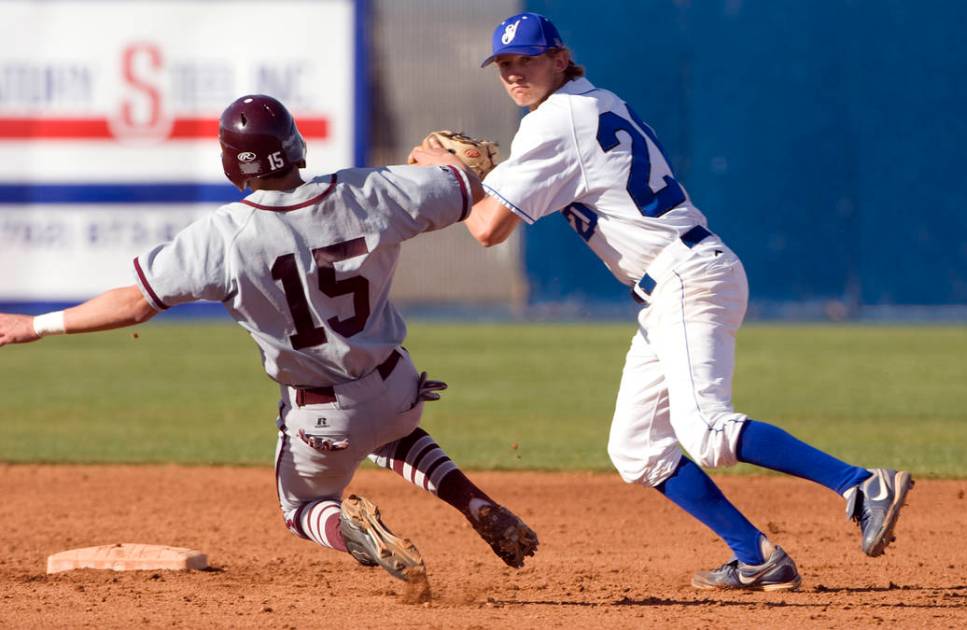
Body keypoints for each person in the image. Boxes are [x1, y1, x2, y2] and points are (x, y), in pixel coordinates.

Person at [410, 12, 912, 592]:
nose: (515, 73)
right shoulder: (594, 101)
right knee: (637, 447)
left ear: (559, 58)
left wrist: (447, 175)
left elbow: (488, 229)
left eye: (527, 59)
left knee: (705, 429)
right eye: (504, 65)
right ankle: (758, 556)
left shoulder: (555, 121)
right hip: (676, 281)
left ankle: (859, 485)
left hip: (683, 277)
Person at [0, 94, 538, 585]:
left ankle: (356, 535)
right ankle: (475, 504)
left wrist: (37, 325)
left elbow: (135, 302)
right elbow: (471, 182)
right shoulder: (372, 190)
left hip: (322, 417)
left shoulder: (224, 237)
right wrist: (432, 169)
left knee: (302, 509)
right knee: (392, 435)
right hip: (397, 388)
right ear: (295, 145)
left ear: (232, 162)